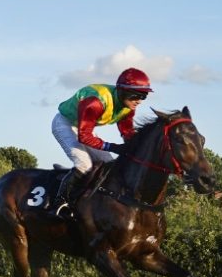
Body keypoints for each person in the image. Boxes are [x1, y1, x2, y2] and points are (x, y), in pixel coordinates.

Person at [51, 67, 153, 217]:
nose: (139, 101)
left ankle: (96, 201)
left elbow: (127, 134)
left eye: (143, 96)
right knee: (84, 164)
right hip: (65, 124)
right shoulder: (95, 102)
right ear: (122, 91)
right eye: (136, 96)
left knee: (109, 164)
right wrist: (113, 147)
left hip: (85, 128)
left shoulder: (128, 108)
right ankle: (60, 202)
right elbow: (84, 137)